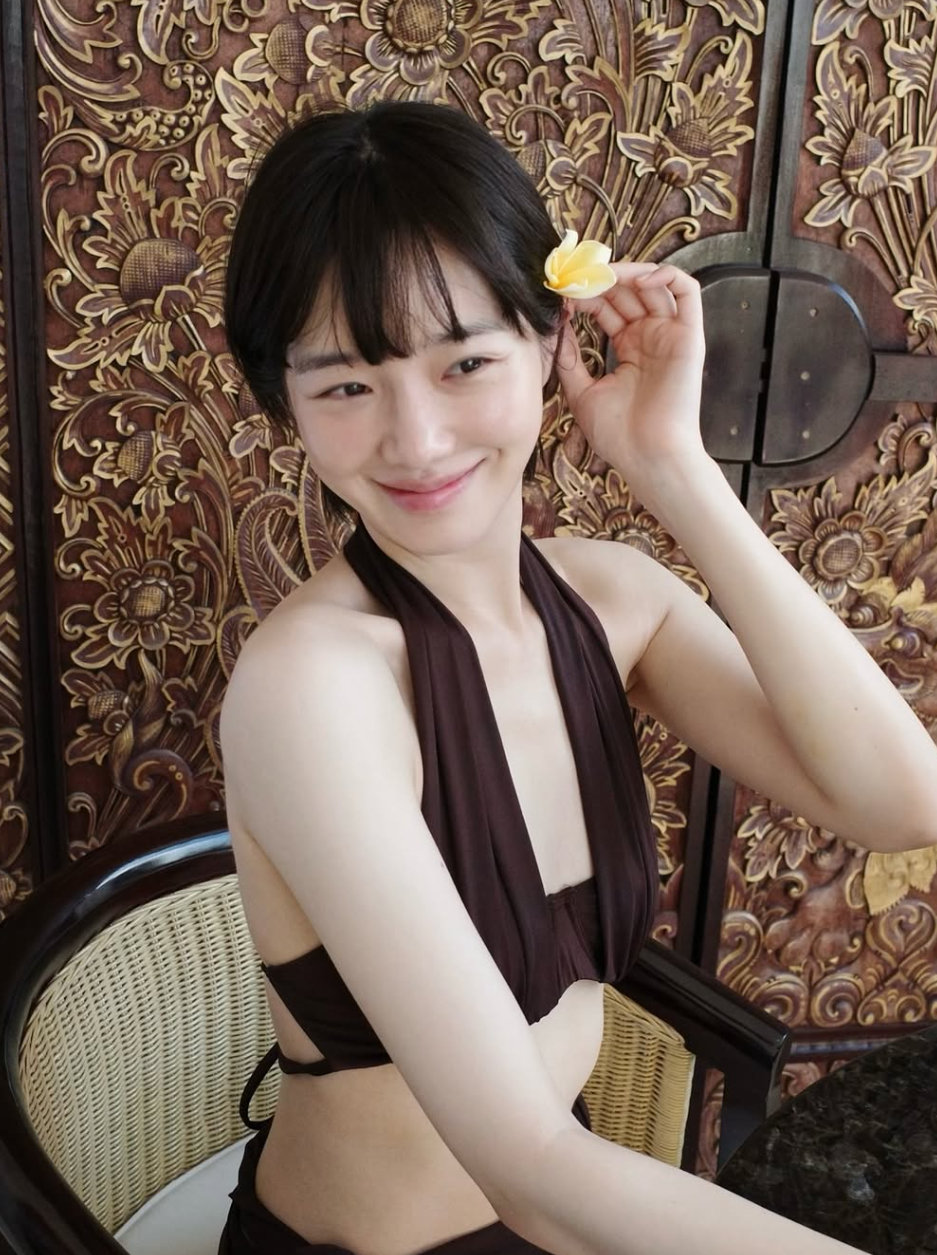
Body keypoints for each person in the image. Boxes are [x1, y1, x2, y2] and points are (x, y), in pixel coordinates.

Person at [218, 100, 937, 1255]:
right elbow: (525, 1165)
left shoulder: (610, 603)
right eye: (346, 386)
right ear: (285, 401)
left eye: (464, 363)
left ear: (550, 342)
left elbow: (900, 802)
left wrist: (673, 466)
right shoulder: (315, 689)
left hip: (580, 1204)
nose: (416, 438)